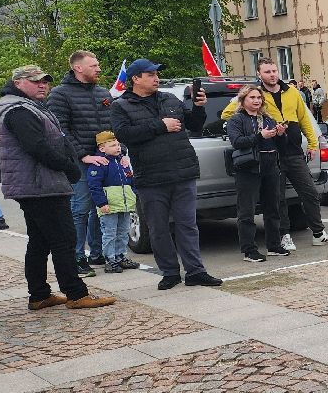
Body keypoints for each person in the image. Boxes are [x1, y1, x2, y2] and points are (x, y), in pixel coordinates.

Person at [0, 65, 115, 310]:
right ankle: (76, 293)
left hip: (38, 183)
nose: (42, 85)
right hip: (40, 184)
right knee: (63, 239)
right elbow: (37, 147)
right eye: (35, 81)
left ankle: (39, 295)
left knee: (40, 241)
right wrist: (69, 166)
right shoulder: (19, 111)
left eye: (45, 81)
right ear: (18, 83)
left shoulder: (28, 107)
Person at [111, 59, 223, 290]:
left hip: (182, 171)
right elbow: (123, 134)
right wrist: (160, 126)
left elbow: (194, 125)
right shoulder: (121, 105)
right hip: (151, 177)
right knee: (159, 228)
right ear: (136, 79)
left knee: (187, 225)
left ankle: (195, 271)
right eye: (150, 74)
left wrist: (199, 107)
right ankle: (170, 272)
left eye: (156, 74)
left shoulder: (169, 98)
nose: (156, 78)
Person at [220, 58, 328, 251]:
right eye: (267, 72)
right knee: (278, 198)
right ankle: (284, 235)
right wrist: (257, 119)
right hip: (271, 152)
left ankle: (318, 233)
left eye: (274, 70)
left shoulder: (292, 92)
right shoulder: (256, 94)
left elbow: (304, 118)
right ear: (259, 74)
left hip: (292, 150)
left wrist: (312, 143)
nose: (272, 74)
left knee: (309, 192)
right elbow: (227, 114)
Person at [46, 50, 114, 277]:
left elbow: (111, 125)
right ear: (78, 68)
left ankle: (97, 253)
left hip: (104, 160)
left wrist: (118, 151)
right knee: (81, 210)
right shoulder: (60, 94)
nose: (98, 69)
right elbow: (59, 130)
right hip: (80, 163)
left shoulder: (103, 93)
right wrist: (83, 155)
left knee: (100, 209)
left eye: (98, 65)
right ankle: (77, 257)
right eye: (94, 65)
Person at [225, 86, 286, 263]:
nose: (256, 100)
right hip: (248, 169)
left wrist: (281, 135)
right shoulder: (236, 120)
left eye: (259, 97)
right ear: (243, 100)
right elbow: (237, 142)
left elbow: (280, 146)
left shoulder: (268, 119)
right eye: (252, 97)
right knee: (247, 211)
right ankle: (249, 250)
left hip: (270, 166)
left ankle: (274, 245)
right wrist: (260, 136)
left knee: (273, 207)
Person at [85, 130, 139, 274]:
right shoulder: (99, 164)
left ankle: (121, 257)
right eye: (113, 145)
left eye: (118, 144)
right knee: (109, 233)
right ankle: (110, 259)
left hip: (125, 205)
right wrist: (102, 203)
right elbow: (94, 186)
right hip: (109, 206)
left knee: (123, 231)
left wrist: (133, 194)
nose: (118, 147)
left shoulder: (123, 162)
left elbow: (131, 180)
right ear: (102, 148)